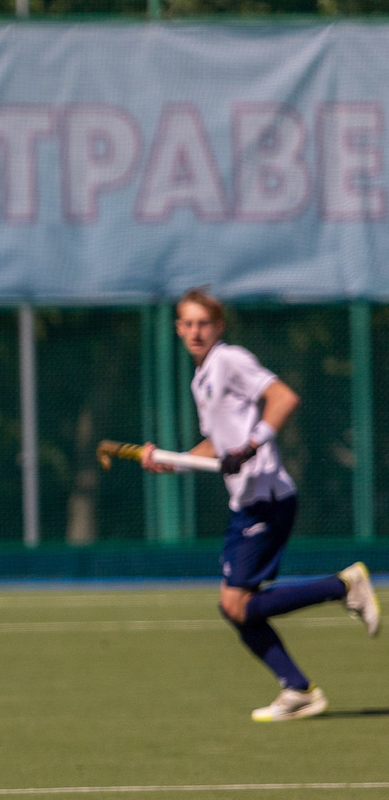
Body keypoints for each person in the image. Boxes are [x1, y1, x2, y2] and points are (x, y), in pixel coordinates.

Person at [142, 288, 376, 720]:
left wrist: (252, 446)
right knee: (234, 607)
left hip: (266, 498)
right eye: (188, 324)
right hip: (246, 502)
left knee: (236, 605)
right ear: (178, 328)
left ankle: (343, 588)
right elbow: (218, 443)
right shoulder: (202, 378)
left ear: (218, 327)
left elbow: (283, 398)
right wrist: (171, 461)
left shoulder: (228, 360)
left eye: (203, 324)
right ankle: (298, 688)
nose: (195, 331)